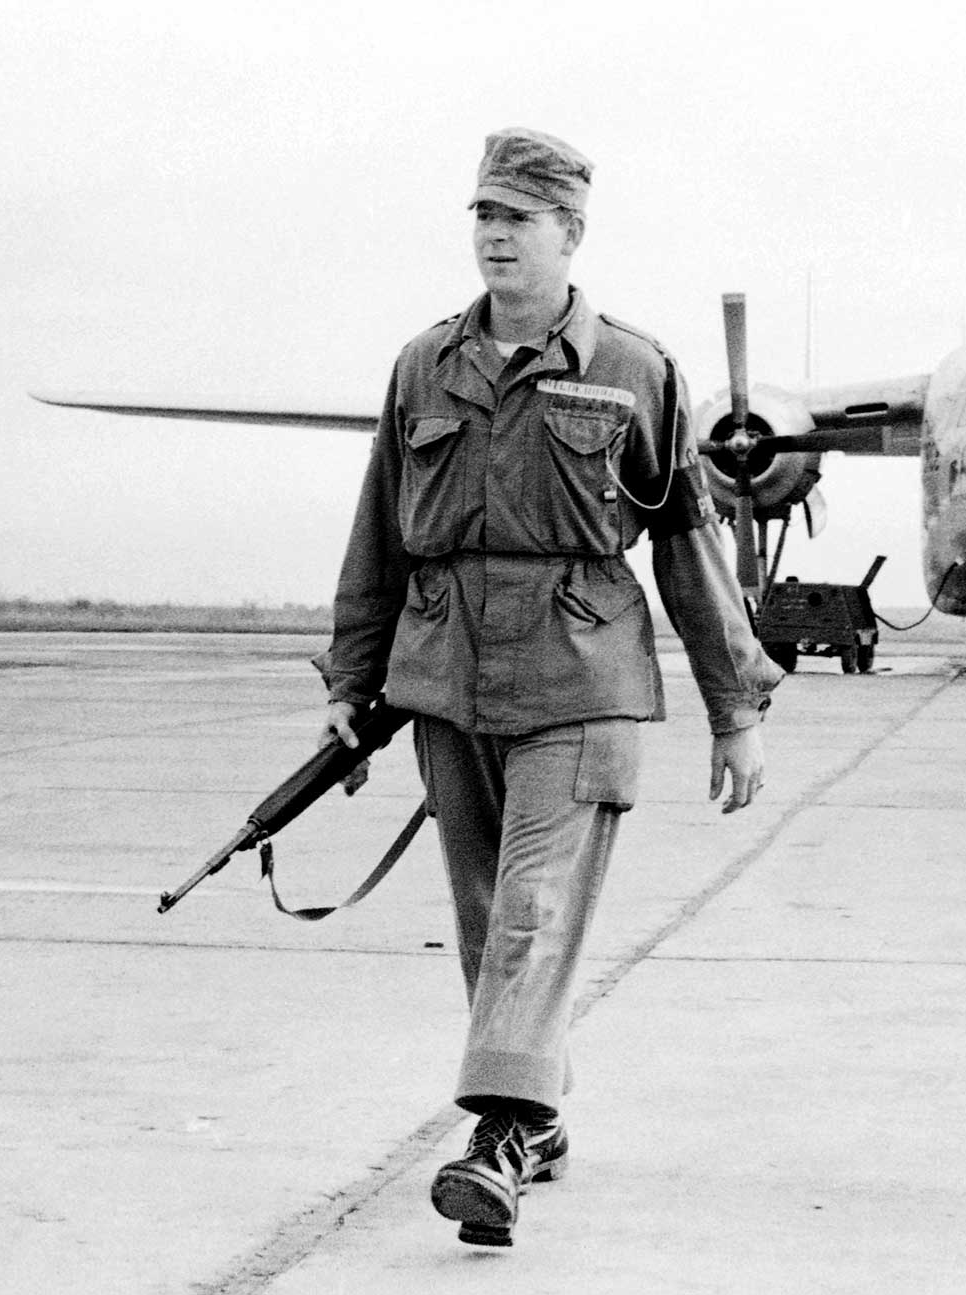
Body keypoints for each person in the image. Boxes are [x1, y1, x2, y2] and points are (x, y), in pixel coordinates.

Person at [317, 127, 781, 1247]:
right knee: (486, 922)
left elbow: (685, 547)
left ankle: (496, 1139)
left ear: (570, 232)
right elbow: (381, 528)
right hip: (445, 679)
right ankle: (541, 1108)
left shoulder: (635, 368)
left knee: (531, 911)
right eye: (482, 216)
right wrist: (351, 674)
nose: (494, 237)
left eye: (517, 219)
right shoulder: (423, 364)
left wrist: (735, 707)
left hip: (582, 677)